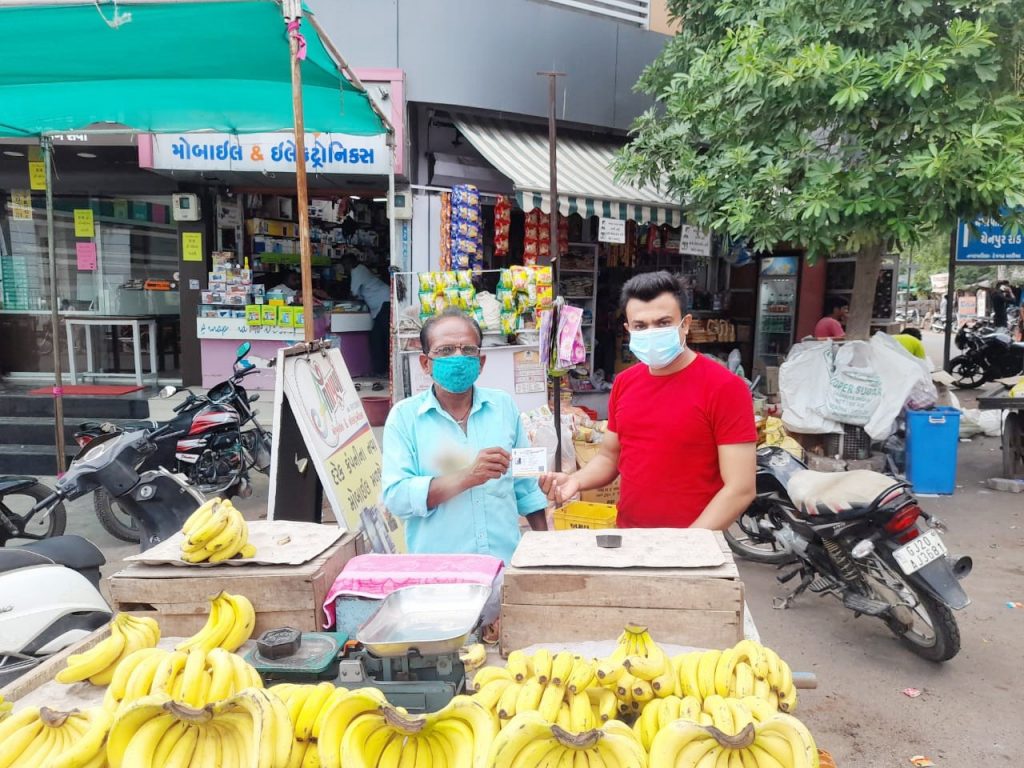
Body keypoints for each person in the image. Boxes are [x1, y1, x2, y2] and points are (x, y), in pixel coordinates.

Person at [538, 272, 757, 530]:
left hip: (694, 544)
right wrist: (576, 480)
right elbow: (609, 457)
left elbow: (740, 488)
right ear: (629, 330)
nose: (652, 332)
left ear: (685, 324)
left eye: (663, 323)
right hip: (630, 537)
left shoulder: (725, 387)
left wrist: (689, 543)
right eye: (641, 326)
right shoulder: (625, 383)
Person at [381, 308, 548, 565]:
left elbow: (526, 486)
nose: (458, 357)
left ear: (480, 362)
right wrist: (467, 476)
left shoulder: (503, 407)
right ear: (425, 363)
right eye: (445, 350)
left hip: (503, 565)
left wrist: (545, 550)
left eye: (468, 350)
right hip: (439, 572)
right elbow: (397, 498)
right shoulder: (405, 418)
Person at [342, 254, 391, 378]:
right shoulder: (361, 269)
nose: (345, 268)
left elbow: (353, 294)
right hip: (383, 303)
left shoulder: (357, 271)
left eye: (345, 265)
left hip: (383, 303)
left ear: (350, 263)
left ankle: (384, 370)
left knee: (380, 338)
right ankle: (382, 370)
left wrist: (343, 300)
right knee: (379, 338)